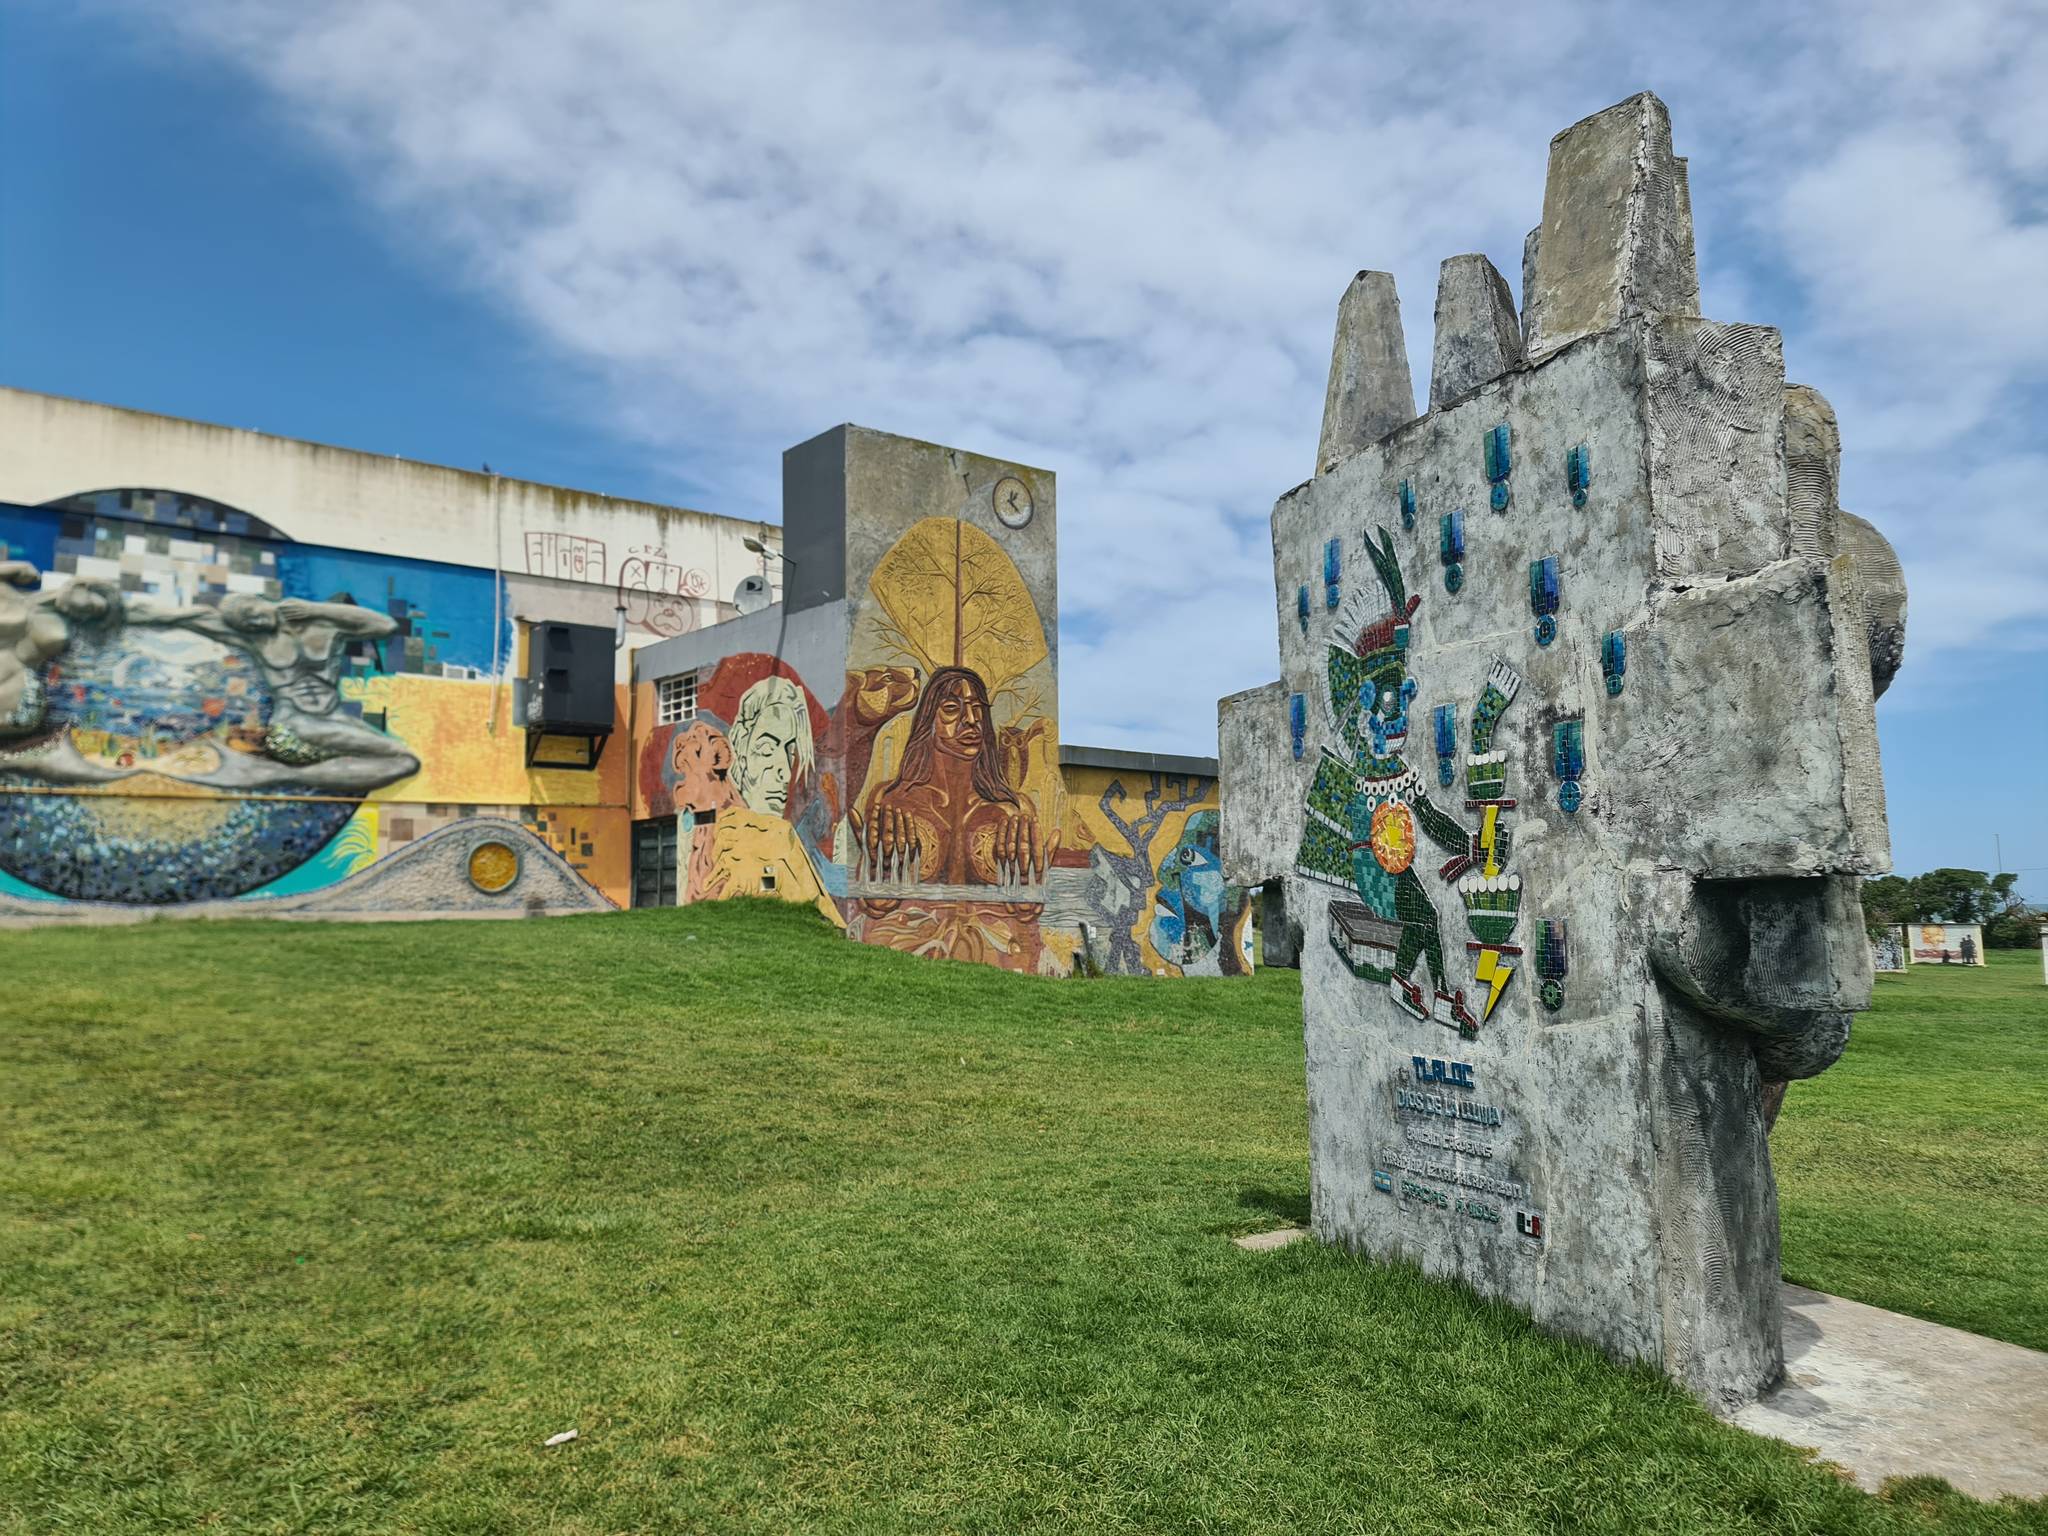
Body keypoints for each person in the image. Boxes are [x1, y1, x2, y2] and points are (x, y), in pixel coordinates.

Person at [856, 665, 1041, 885]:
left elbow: (1028, 909)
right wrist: (877, 880)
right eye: (952, 708)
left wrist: (1031, 887)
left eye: (977, 708)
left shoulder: (1014, 811)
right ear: (928, 719)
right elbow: (872, 902)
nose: (971, 719)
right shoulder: (892, 802)